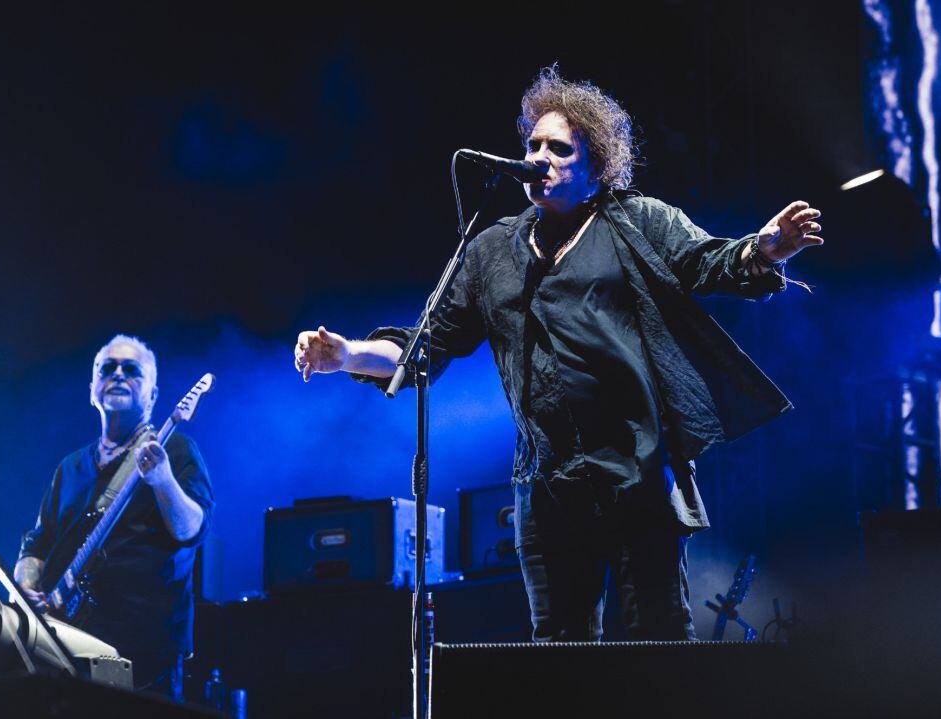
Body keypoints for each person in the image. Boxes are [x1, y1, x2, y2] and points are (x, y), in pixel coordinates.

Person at [293, 66, 822, 642]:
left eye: (559, 148)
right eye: (532, 144)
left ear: (596, 171)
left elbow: (710, 260)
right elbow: (425, 347)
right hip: (545, 488)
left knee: (661, 644)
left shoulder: (637, 222)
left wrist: (765, 249)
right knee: (559, 657)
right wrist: (346, 355)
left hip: (637, 474)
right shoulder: (490, 250)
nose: (539, 156)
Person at [14, 334, 214, 699]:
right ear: (93, 390)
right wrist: (27, 588)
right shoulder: (70, 468)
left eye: (132, 370)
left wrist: (163, 479)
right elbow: (37, 542)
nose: (118, 375)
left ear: (153, 395)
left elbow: (192, 530)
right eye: (107, 369)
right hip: (67, 650)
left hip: (144, 656)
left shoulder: (178, 449)